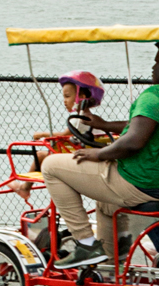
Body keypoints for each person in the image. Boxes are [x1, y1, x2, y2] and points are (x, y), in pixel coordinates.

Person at [41, 42, 159, 271]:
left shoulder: (156, 95)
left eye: (156, 62)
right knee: (106, 203)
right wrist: (104, 125)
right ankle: (111, 265)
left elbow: (133, 141)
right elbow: (147, 126)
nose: (153, 68)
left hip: (141, 183)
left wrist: (99, 154)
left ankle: (86, 244)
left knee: (51, 166)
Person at [8, 69, 107, 203]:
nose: (64, 101)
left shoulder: (79, 119)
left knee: (40, 155)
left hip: (76, 159)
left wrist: (42, 134)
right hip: (89, 158)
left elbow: (62, 135)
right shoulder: (93, 118)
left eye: (67, 96)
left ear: (82, 96)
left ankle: (25, 188)